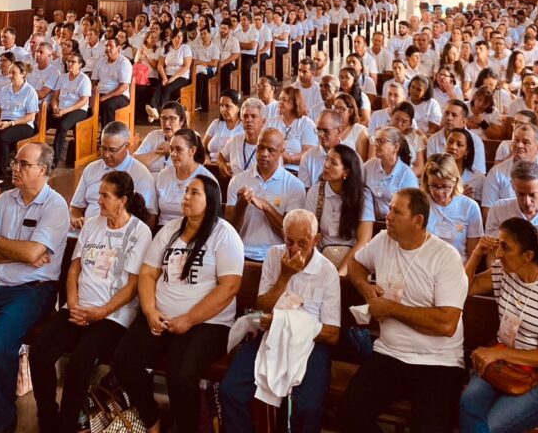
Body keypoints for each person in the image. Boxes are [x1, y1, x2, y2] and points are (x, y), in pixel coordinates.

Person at [113, 175, 244, 433]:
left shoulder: (224, 235)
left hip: (207, 322)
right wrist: (150, 311)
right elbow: (149, 273)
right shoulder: (170, 229)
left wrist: (189, 319)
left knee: (181, 374)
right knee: (124, 361)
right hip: (160, 315)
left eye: (194, 193)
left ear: (211, 200)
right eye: (186, 191)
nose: (186, 197)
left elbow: (229, 287)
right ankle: (153, 419)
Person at [30, 171, 152, 433]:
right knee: (40, 353)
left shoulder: (140, 232)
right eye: (99, 194)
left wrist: (100, 312)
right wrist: (73, 303)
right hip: (78, 306)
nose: (99, 200)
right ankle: (48, 419)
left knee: (80, 362)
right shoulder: (92, 224)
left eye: (105, 196)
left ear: (123, 200)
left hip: (113, 314)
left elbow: (132, 287)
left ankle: (66, 426)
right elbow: (74, 268)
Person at [341, 188, 468, 433]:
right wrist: (367, 290)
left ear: (418, 221)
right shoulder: (383, 240)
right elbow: (355, 264)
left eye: (396, 212)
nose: (388, 216)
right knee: (349, 413)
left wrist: (391, 309)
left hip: (439, 363)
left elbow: (446, 324)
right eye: (389, 208)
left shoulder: (445, 258)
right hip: (390, 354)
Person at [220, 209, 341, 433]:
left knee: (307, 406)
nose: (294, 249)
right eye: (289, 241)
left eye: (302, 243)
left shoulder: (327, 271)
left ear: (316, 240)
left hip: (311, 344)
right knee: (231, 390)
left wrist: (291, 324)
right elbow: (261, 307)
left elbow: (332, 334)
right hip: (271, 334)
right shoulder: (275, 256)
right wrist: (285, 276)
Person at [0, 142, 70, 433]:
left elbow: (31, 254)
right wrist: (14, 250)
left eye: (23, 164)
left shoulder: (55, 206)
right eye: (15, 163)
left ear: (42, 170)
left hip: (32, 291)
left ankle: (4, 422)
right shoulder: (5, 199)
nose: (14, 168)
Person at [460, 218, 538, 433]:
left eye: (506, 248)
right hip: (502, 364)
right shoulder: (504, 273)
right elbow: (464, 288)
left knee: (493, 426)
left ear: (528, 256)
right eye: (498, 245)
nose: (499, 254)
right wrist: (477, 253)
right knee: (469, 404)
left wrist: (499, 354)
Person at [225, 128, 306, 261]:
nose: (264, 154)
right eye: (260, 148)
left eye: (271, 150)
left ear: (281, 152)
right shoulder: (238, 180)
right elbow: (229, 230)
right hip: (241, 252)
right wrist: (241, 205)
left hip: (277, 255)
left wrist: (266, 207)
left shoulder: (295, 186)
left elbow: (290, 234)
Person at [70, 121, 157, 228]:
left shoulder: (141, 175)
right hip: (89, 231)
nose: (106, 154)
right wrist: (77, 219)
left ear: (127, 146)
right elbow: (76, 207)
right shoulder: (91, 169)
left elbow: (150, 218)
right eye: (103, 148)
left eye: (112, 150)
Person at [306, 144, 372, 273]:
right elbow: (309, 233)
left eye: (333, 163)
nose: (326, 165)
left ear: (346, 172)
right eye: (327, 159)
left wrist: (341, 273)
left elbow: (364, 240)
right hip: (322, 257)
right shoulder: (315, 192)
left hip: (354, 259)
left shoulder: (363, 196)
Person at [485, 160, 538, 263]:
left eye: (532, 195)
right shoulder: (498, 209)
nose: (527, 202)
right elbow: (492, 253)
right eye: (521, 194)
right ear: (512, 186)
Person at [421, 153, 483, 261]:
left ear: (455, 182)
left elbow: (473, 256)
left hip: (457, 269)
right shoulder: (420, 203)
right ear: (427, 182)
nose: (439, 192)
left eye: (445, 186)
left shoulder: (470, 207)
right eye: (434, 186)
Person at [155, 128, 217, 225]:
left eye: (179, 149)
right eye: (171, 149)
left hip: (191, 230)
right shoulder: (163, 175)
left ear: (192, 151)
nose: (173, 154)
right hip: (163, 230)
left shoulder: (207, 178)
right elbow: (155, 212)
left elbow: (212, 217)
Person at [0, 60, 39, 185]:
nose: (10, 76)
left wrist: (11, 123)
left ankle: (0, 176)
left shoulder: (30, 91)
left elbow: (31, 116)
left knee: (3, 138)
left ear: (23, 74)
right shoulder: (5, 89)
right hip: (4, 122)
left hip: (22, 124)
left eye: (14, 73)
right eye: (9, 73)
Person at [361, 127, 418, 219]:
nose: (376, 144)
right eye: (376, 140)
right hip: (367, 220)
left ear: (395, 147)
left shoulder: (407, 176)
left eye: (382, 141)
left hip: (393, 222)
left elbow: (410, 209)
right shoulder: (369, 165)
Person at [48, 50, 91, 167]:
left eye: (73, 62)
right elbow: (55, 97)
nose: (69, 64)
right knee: (42, 121)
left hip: (78, 110)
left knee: (62, 126)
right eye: (68, 61)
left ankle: (54, 160)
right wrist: (55, 108)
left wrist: (65, 111)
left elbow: (84, 100)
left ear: (80, 64)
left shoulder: (84, 79)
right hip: (61, 108)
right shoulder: (62, 77)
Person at [149, 28, 193, 120]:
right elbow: (160, 66)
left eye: (181, 36)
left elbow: (186, 66)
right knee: (159, 87)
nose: (179, 39)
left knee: (167, 88)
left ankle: (163, 114)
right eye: (177, 37)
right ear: (172, 38)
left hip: (181, 76)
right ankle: (154, 110)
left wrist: (173, 78)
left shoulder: (185, 48)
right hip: (167, 75)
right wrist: (164, 78)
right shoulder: (166, 47)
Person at [271, 86, 318, 171]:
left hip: (296, 171)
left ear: (294, 103)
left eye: (284, 100)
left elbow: (309, 153)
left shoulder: (306, 124)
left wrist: (288, 158)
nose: (280, 102)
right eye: (279, 99)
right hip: (273, 169)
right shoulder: (271, 122)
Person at [133, 101, 187, 173]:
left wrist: (172, 150)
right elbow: (134, 161)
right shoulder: (154, 136)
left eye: (172, 118)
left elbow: (192, 167)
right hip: (151, 181)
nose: (166, 123)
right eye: (163, 118)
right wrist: (160, 151)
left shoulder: (190, 138)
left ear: (181, 121)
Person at [217, 97, 266, 177]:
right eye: (245, 116)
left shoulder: (269, 145)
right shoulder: (235, 140)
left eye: (253, 116)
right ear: (242, 120)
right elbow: (221, 156)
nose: (248, 120)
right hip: (235, 187)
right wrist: (222, 165)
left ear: (263, 122)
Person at [298, 109, 344, 188]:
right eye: (318, 130)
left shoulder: (351, 156)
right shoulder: (308, 157)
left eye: (326, 131)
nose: (321, 135)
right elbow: (304, 190)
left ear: (339, 131)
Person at [92, 38, 133, 125]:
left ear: (118, 48)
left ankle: (107, 136)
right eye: (106, 46)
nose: (107, 48)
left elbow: (123, 86)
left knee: (108, 105)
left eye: (111, 45)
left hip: (120, 96)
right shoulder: (100, 61)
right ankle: (85, 136)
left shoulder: (124, 63)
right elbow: (94, 81)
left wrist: (106, 97)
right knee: (85, 105)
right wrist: (93, 94)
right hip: (101, 93)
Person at [445, 127, 486, 201]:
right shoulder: (435, 171)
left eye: (459, 144)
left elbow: (480, 208)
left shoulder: (477, 177)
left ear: (467, 151)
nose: (453, 147)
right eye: (450, 142)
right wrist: (458, 196)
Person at [203, 90, 243, 161]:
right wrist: (206, 158)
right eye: (221, 105)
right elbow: (203, 147)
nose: (223, 109)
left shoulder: (243, 128)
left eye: (228, 106)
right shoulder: (216, 123)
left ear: (238, 108)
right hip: (210, 165)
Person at [333, 92, 369, 160]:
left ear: (351, 112)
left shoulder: (360, 131)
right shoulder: (330, 128)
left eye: (341, 109)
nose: (336, 111)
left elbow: (361, 162)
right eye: (335, 107)